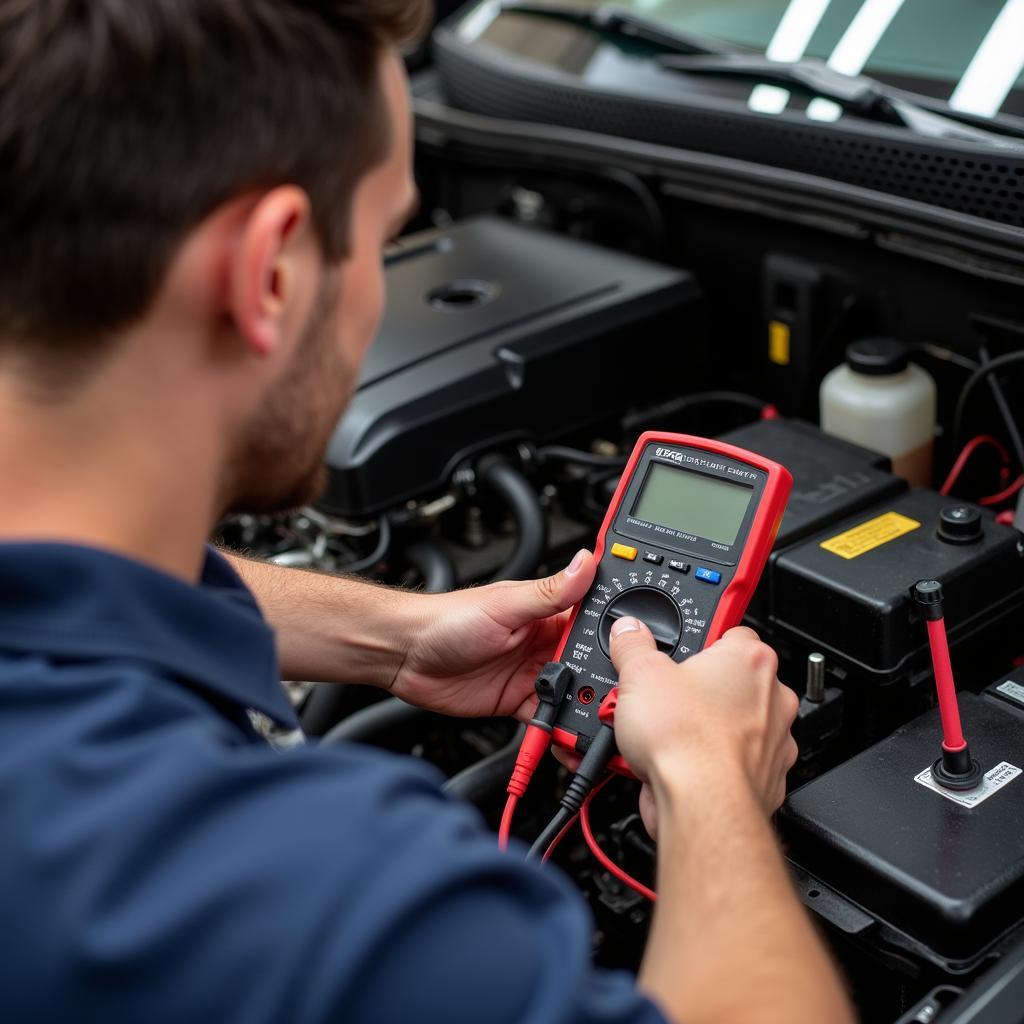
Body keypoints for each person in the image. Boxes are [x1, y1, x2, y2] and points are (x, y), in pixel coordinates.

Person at [0, 2, 853, 1022]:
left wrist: (389, 637)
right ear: (267, 272)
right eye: (387, 239)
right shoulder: (306, 894)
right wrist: (713, 783)